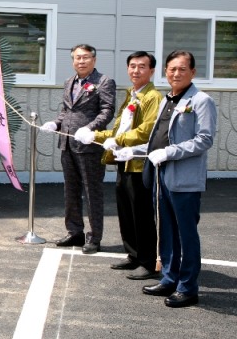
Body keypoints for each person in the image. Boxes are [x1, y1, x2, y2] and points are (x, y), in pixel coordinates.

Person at [117, 50, 216, 308]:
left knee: (186, 235)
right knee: (167, 233)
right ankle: (169, 278)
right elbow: (158, 139)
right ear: (165, 72)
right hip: (161, 176)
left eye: (182, 69)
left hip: (184, 180)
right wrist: (136, 151)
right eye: (172, 69)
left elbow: (204, 139)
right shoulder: (167, 100)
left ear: (193, 73)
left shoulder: (201, 100)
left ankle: (188, 288)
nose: (176, 73)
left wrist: (169, 152)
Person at [75, 51, 162, 279]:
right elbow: (118, 130)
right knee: (126, 211)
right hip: (123, 161)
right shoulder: (132, 95)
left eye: (142, 67)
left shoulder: (153, 97)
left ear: (151, 71)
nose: (136, 70)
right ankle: (133, 255)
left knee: (142, 213)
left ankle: (147, 261)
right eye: (132, 66)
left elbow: (146, 131)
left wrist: (118, 140)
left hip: (139, 162)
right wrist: (94, 135)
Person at [40, 44, 116, 254]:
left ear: (94, 59)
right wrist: (56, 123)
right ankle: (75, 232)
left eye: (85, 57)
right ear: (72, 60)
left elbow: (107, 111)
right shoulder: (69, 82)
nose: (81, 61)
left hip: (89, 145)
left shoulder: (103, 81)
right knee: (70, 191)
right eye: (77, 58)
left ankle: (94, 237)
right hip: (67, 144)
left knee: (92, 193)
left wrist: (90, 128)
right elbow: (66, 110)